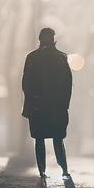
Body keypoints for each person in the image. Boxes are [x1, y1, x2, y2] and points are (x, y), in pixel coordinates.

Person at [22, 27, 74, 179]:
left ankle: (42, 171)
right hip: (57, 106)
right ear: (53, 39)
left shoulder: (32, 58)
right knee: (58, 138)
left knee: (39, 139)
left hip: (38, 105)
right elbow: (67, 84)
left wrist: (29, 105)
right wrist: (65, 105)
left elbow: (26, 84)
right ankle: (64, 169)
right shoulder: (61, 58)